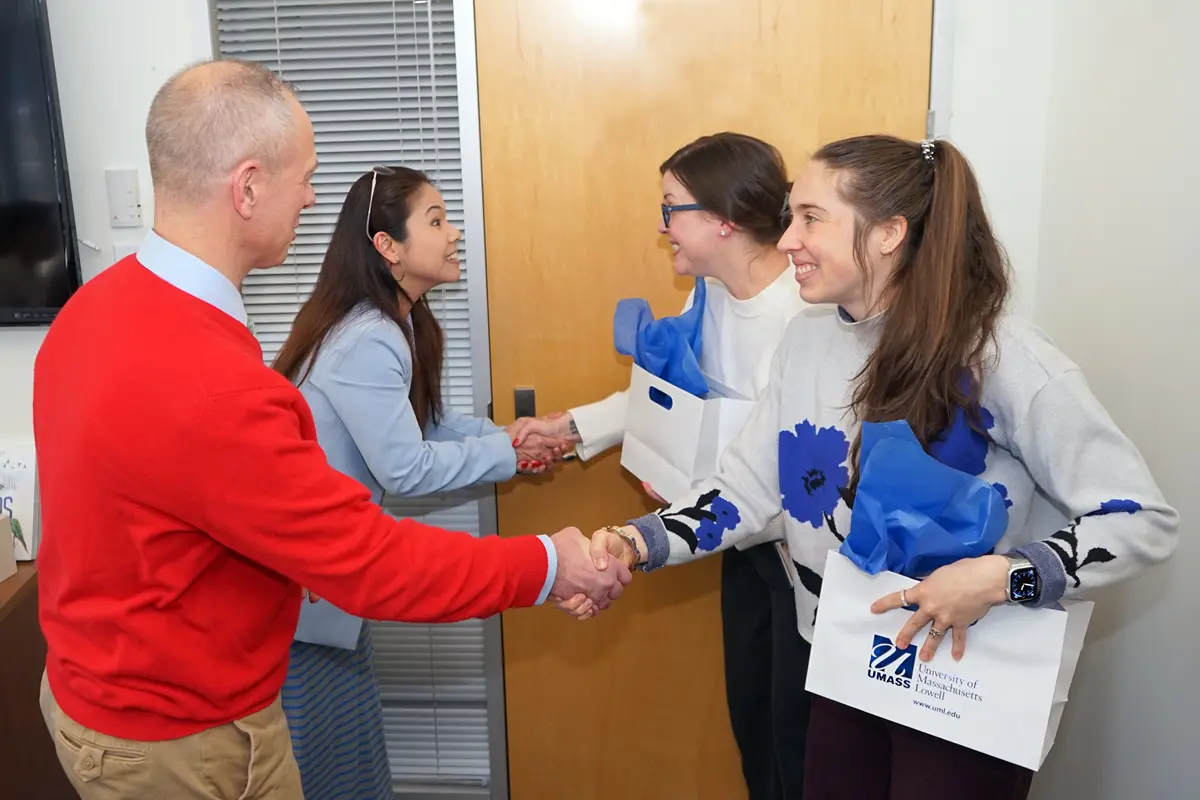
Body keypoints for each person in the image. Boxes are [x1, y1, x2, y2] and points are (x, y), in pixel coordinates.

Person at [32, 59, 628, 800]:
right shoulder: (212, 383)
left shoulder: (95, 309)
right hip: (179, 738)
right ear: (247, 187)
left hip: (100, 693)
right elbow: (371, 563)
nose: (315, 199)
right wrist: (550, 564)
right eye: (305, 177)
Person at [571, 134, 1179, 799]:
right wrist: (639, 541)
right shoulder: (805, 341)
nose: (785, 242)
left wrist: (1004, 576)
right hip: (845, 660)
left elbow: (1140, 518)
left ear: (889, 232)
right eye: (790, 216)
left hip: (963, 682)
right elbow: (745, 489)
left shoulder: (1000, 355)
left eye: (811, 218)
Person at [271, 165, 568, 800]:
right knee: (326, 769)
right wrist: (511, 455)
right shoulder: (367, 336)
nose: (454, 232)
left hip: (327, 581)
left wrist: (509, 436)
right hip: (304, 594)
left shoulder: (396, 321)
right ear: (388, 247)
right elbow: (405, 466)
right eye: (436, 220)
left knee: (351, 759)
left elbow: (427, 423)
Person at [539, 132, 812, 799]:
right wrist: (571, 428)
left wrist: (645, 540)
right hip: (738, 546)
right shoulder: (709, 294)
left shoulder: (809, 318)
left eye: (672, 209)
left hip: (803, 561)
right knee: (754, 724)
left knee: (797, 742)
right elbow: (665, 394)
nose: (663, 229)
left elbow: (795, 477)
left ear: (725, 219)